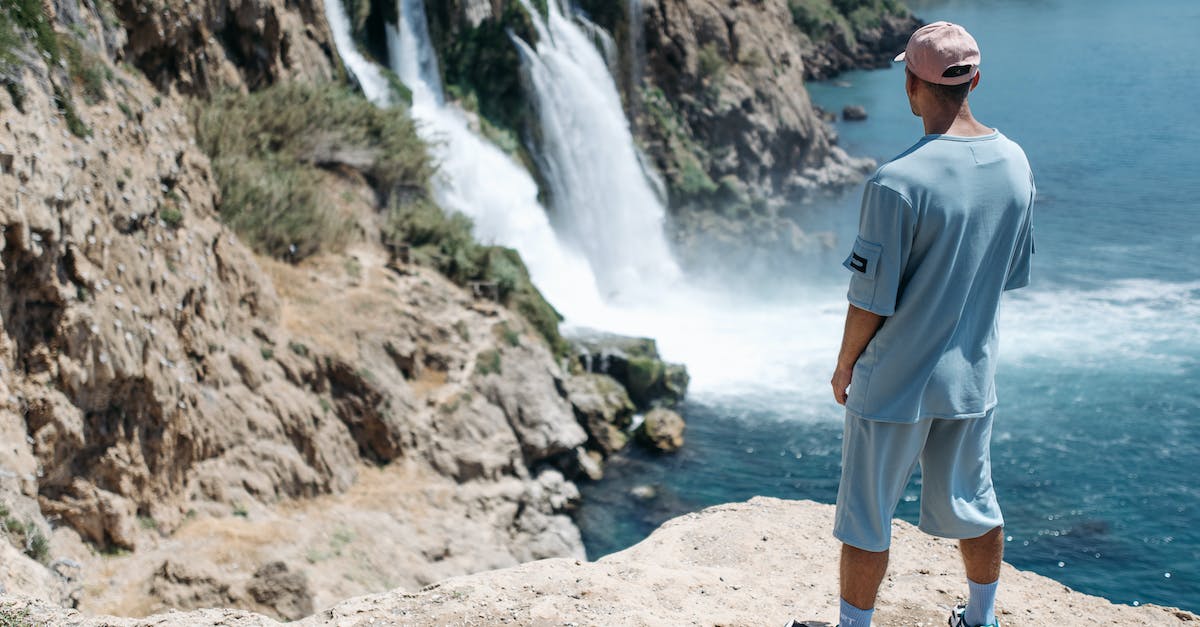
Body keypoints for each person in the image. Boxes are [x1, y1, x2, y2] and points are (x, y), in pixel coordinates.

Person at [828, 20, 1034, 627]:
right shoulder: (1015, 163)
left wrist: (844, 365)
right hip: (971, 377)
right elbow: (1009, 274)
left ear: (911, 85)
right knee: (975, 503)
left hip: (895, 379)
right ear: (975, 80)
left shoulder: (897, 181)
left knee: (867, 516)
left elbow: (870, 299)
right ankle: (981, 618)